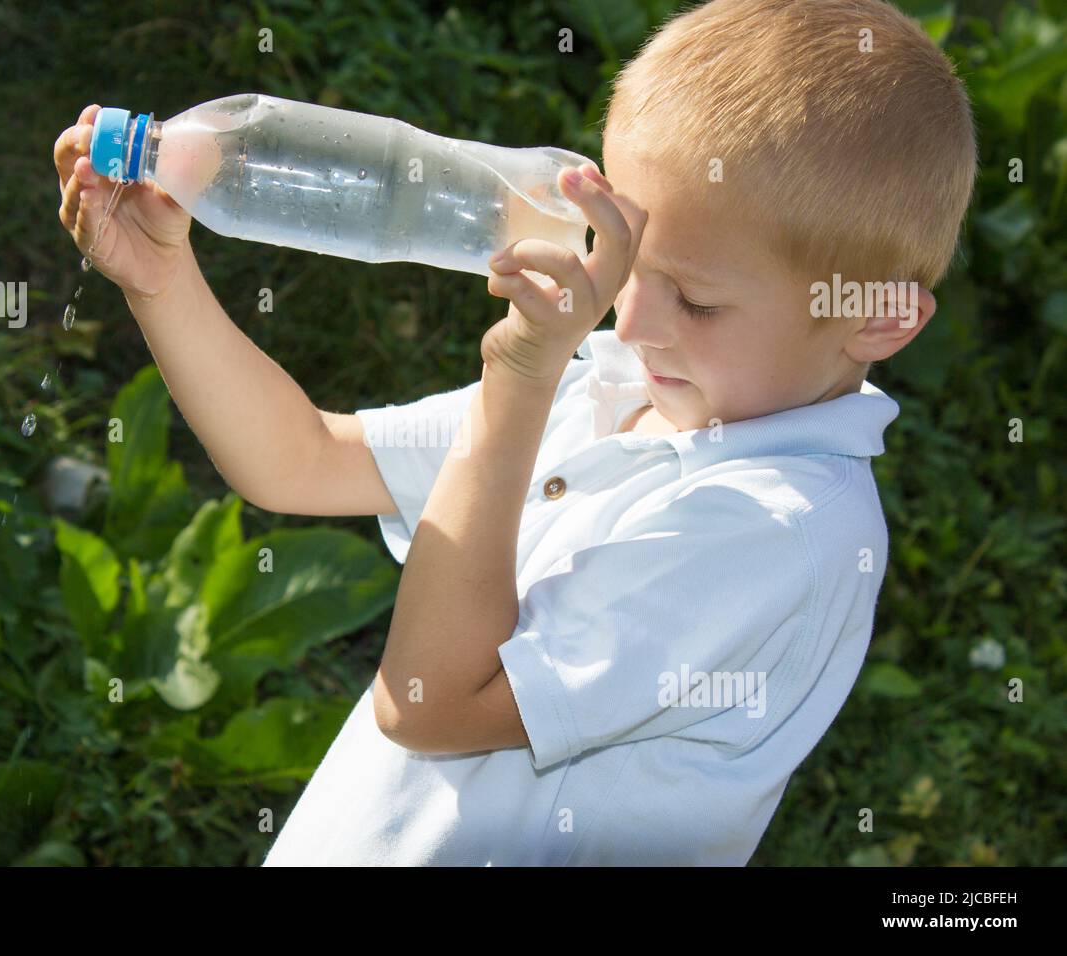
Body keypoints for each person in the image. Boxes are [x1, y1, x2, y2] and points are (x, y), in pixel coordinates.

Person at [53, 0, 977, 865]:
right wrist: (160, 281)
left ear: (878, 318)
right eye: (627, 263)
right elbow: (300, 461)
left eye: (696, 300)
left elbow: (431, 705)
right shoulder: (607, 395)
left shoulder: (782, 535)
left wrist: (520, 380)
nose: (630, 324)